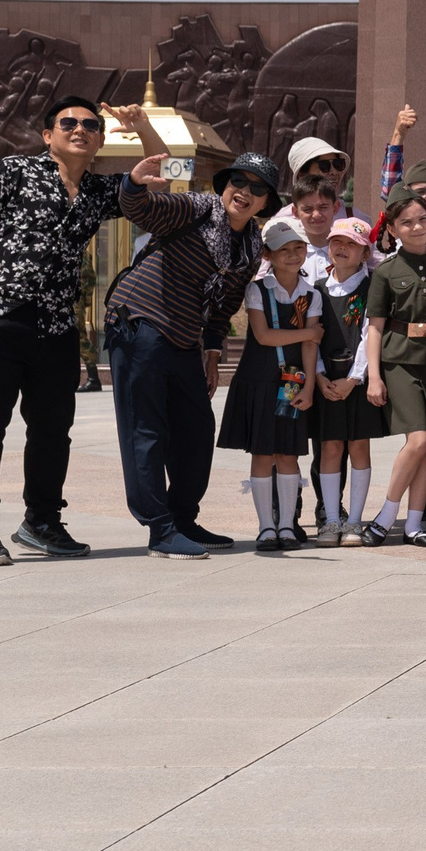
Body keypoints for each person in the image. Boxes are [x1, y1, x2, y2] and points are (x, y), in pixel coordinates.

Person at [0, 95, 124, 566]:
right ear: (48, 134)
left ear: (100, 139)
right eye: (68, 123)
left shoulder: (100, 192)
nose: (79, 129)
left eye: (90, 124)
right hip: (0, 315)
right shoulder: (13, 171)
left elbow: (162, 178)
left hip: (57, 324)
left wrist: (140, 126)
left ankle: (42, 521)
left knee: (52, 430)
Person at [105, 113, 280, 558]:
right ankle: (160, 529)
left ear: (266, 202)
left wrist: (212, 350)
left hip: (184, 339)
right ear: (225, 186)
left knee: (197, 430)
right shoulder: (199, 208)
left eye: (257, 188)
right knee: (146, 430)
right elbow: (144, 209)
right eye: (238, 181)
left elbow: (223, 305)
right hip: (141, 323)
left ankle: (183, 517)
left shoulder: (251, 246)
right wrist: (134, 183)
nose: (244, 191)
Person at [360, 191, 426, 547]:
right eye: (406, 222)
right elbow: (375, 327)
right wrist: (373, 376)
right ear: (393, 228)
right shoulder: (386, 271)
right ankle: (387, 515)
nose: (417, 226)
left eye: (422, 219)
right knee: (418, 438)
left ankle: (414, 525)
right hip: (398, 361)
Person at [219, 214, 322, 552]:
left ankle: (288, 527)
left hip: (292, 381)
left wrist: (308, 386)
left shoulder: (312, 294)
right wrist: (309, 331)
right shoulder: (257, 289)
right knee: (263, 452)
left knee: (289, 453)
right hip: (259, 379)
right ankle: (266, 527)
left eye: (298, 248)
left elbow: (311, 347)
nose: (292, 255)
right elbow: (263, 336)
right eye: (283, 250)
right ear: (267, 254)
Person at [310, 215, 388, 545]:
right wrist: (318, 375)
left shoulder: (372, 288)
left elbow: (370, 333)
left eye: (351, 244)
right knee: (329, 448)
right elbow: (311, 338)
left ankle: (354, 521)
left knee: (358, 446)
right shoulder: (316, 290)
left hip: (358, 379)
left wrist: (355, 379)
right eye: (336, 242)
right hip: (326, 381)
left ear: (365, 252)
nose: (342, 249)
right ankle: (330, 520)